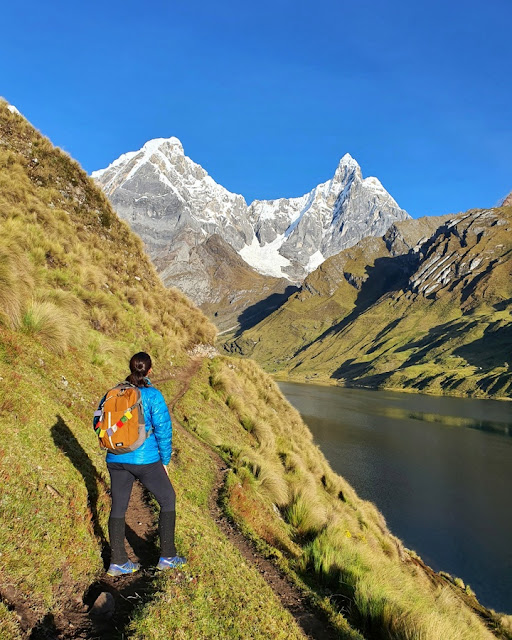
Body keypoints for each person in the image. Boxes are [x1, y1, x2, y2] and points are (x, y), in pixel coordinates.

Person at [95, 351, 186, 576]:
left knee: (118, 506)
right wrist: (165, 460)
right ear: (149, 370)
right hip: (146, 460)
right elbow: (164, 430)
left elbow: (97, 422)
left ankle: (117, 562)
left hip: (115, 459)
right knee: (168, 499)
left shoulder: (113, 392)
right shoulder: (153, 396)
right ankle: (167, 556)